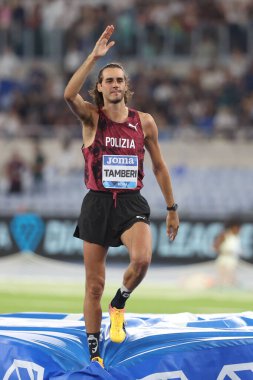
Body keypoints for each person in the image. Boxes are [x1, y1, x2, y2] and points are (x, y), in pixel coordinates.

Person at [64, 25, 179, 367]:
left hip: (131, 203)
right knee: (93, 284)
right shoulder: (91, 119)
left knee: (142, 260)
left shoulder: (144, 122)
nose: (114, 85)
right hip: (98, 204)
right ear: (99, 88)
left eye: (119, 80)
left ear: (126, 87)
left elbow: (159, 167)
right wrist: (93, 57)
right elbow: (69, 96)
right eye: (108, 80)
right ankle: (94, 352)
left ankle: (120, 303)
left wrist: (172, 208)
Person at [213, 219, 242, 288]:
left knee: (231, 279)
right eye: (237, 228)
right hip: (224, 259)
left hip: (233, 259)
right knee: (223, 279)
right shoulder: (225, 235)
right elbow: (215, 246)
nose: (239, 230)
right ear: (233, 227)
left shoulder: (237, 237)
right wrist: (224, 252)